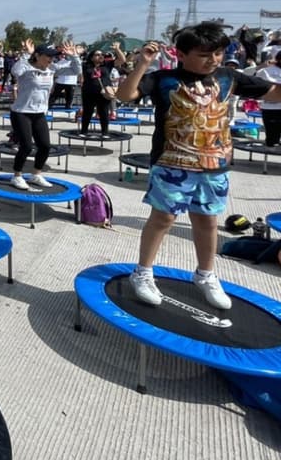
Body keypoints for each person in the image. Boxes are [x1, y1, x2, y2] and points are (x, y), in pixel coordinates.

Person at [116, 22, 281, 309]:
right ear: (180, 54)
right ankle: (142, 272)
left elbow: (274, 93)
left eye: (218, 53)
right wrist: (142, 64)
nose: (213, 60)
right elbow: (124, 95)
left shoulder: (229, 77)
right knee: (163, 219)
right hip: (172, 163)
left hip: (214, 165)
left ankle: (205, 275)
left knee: (208, 221)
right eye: (204, 54)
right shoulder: (163, 79)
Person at [8, 40, 80, 189]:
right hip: (21, 112)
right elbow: (15, 71)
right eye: (48, 56)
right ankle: (17, 176)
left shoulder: (52, 69)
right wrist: (26, 54)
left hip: (39, 113)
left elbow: (76, 71)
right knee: (26, 146)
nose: (51, 59)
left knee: (45, 146)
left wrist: (74, 56)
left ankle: (36, 174)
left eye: (53, 56)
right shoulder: (26, 68)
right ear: (38, 55)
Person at [255, 50, 281, 146]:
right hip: (269, 107)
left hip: (273, 106)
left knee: (273, 137)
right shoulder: (266, 70)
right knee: (272, 137)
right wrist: (264, 65)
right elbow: (251, 73)